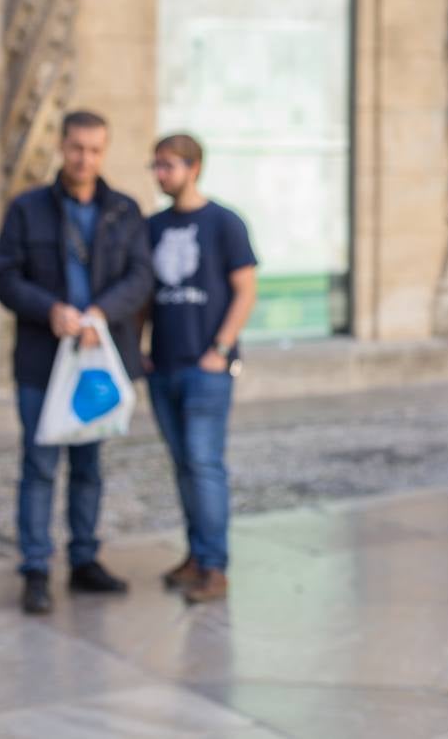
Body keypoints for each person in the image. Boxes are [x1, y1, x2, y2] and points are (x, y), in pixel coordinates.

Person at [0, 110, 154, 615]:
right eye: (77, 148)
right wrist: (52, 311)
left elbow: (141, 277)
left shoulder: (125, 211)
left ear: (105, 152)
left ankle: (85, 559)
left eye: (95, 150)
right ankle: (36, 567)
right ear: (62, 147)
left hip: (99, 360)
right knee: (39, 466)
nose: (85, 158)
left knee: (88, 465)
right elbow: (5, 277)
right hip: (43, 359)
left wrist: (100, 313)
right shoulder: (27, 209)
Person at [146, 134, 258, 603]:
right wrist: (141, 350)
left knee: (204, 464)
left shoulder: (224, 222)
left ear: (194, 168)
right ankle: (195, 555)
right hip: (163, 366)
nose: (160, 174)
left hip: (207, 368)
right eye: (156, 165)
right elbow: (143, 296)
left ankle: (214, 566)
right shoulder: (151, 227)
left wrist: (220, 348)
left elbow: (246, 289)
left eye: (168, 165)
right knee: (183, 467)